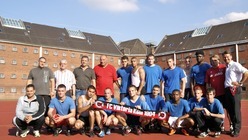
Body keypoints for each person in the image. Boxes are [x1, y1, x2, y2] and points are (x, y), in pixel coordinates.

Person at [222, 51, 248, 137]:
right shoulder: (227, 67)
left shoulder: (235, 65)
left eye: (227, 57)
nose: (226, 58)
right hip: (227, 90)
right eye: (225, 57)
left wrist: (240, 83)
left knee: (236, 110)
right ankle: (233, 128)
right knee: (230, 110)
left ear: (231, 57)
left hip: (234, 89)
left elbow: (246, 72)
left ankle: (237, 130)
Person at [27, 57, 55, 132]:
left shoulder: (48, 70)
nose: (42, 63)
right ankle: (37, 126)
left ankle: (48, 126)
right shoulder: (33, 71)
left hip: (46, 94)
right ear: (38, 62)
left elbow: (52, 80)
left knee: (46, 111)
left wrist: (52, 91)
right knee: (36, 110)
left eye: (44, 62)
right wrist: (28, 91)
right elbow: (29, 81)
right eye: (41, 61)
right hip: (36, 94)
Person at [205, 54, 231, 131]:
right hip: (215, 95)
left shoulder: (223, 67)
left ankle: (231, 125)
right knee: (218, 111)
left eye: (215, 60)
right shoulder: (209, 71)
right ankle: (221, 125)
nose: (213, 62)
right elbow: (207, 83)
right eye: (212, 61)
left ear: (219, 60)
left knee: (228, 110)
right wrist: (208, 93)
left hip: (225, 93)